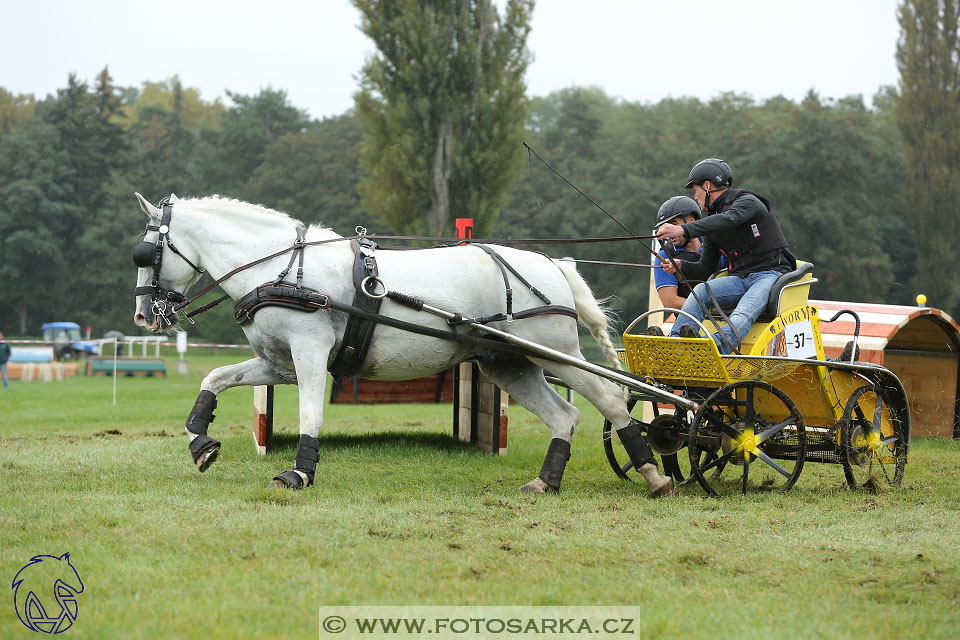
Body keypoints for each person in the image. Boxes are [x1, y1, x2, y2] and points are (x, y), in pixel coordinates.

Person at [655, 158, 796, 354]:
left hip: (769, 274)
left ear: (707, 186)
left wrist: (683, 230)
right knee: (701, 292)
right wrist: (680, 265)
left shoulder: (747, 202)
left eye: (695, 191)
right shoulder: (714, 223)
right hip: (740, 279)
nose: (695, 198)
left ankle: (710, 349)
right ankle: (677, 345)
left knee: (742, 312)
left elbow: (729, 219)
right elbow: (706, 268)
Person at [652, 196, 704, 309]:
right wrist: (709, 307)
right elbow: (670, 302)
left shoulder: (714, 245)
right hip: (690, 321)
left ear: (691, 223)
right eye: (665, 226)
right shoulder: (664, 256)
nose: (669, 231)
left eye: (674, 224)